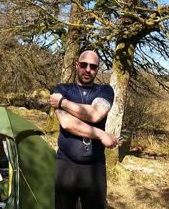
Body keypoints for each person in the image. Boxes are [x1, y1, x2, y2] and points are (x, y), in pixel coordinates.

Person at [49, 50, 118, 209]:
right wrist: (101, 134)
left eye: (93, 67)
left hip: (95, 168)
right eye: (83, 65)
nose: (88, 69)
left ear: (97, 69)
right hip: (66, 166)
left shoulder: (105, 90)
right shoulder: (62, 89)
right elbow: (67, 123)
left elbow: (95, 114)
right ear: (76, 65)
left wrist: (63, 103)